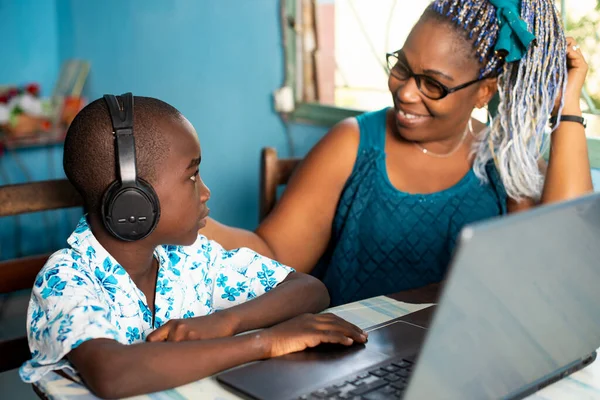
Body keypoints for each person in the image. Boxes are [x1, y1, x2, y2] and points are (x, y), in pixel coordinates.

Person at [202, 0, 593, 306]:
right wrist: (183, 216)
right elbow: (273, 257)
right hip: (351, 356)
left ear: (484, 92)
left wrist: (568, 102)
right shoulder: (353, 144)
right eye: (402, 67)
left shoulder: (501, 163)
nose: (405, 92)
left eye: (433, 84)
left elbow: (559, 255)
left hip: (455, 357)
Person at [19, 95, 367, 399]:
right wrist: (265, 342)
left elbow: (309, 290)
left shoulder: (192, 258)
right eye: (191, 176)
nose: (205, 191)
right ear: (132, 202)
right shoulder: (65, 279)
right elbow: (113, 373)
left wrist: (226, 322)